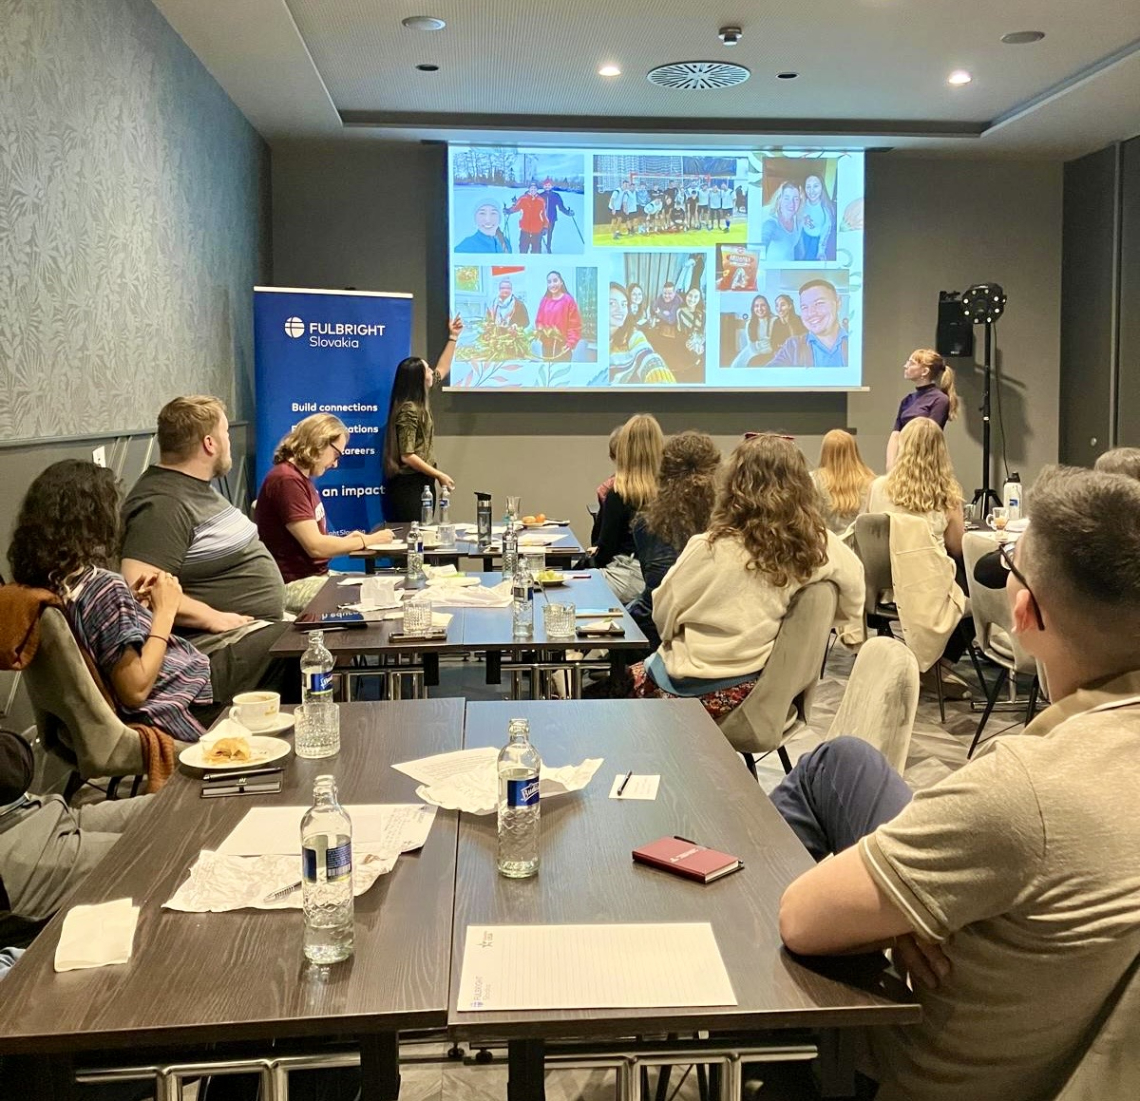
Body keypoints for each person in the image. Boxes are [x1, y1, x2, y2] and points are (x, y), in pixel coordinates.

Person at [774, 466, 1140, 1101]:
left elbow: (800, 919)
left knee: (788, 892)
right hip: (1041, 988)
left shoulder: (1021, 791)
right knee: (844, 763)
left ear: (1023, 611)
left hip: (895, 1064)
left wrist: (894, 922)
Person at [10, 462, 298, 741]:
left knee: (281, 638)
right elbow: (135, 689)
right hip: (190, 696)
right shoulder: (102, 587)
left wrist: (134, 608)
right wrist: (165, 610)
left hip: (183, 678)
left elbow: (107, 639)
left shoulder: (52, 583)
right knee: (294, 642)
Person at [632, 435, 864, 720]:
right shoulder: (819, 546)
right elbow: (853, 598)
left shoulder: (709, 546)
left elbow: (662, 613)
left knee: (619, 688)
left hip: (690, 692)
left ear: (733, 485)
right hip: (759, 693)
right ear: (802, 487)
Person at [120, 396, 285, 639]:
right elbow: (137, 585)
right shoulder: (164, 503)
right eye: (226, 433)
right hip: (213, 644)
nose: (230, 442)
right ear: (210, 443)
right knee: (315, 648)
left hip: (255, 625)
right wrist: (210, 617)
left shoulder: (195, 486)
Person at [0, 726, 153, 945]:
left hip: (40, 811)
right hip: (17, 851)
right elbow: (11, 773)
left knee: (165, 806)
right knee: (156, 851)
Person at [866, 417, 971, 692]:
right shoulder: (946, 494)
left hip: (882, 587)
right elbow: (958, 546)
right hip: (926, 588)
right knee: (976, 593)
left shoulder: (878, 487)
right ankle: (940, 664)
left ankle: (919, 662)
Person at [255, 414, 392, 612]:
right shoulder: (287, 481)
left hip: (315, 577)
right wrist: (368, 540)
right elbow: (316, 547)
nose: (335, 464)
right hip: (293, 584)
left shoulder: (298, 478)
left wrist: (348, 540)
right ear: (319, 442)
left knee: (380, 588)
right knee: (374, 599)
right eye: (336, 455)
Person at [629, 432, 720, 649]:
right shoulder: (730, 520)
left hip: (660, 631)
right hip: (715, 629)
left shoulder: (647, 522)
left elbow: (655, 589)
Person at [382, 316, 463, 522]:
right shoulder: (409, 410)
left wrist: (453, 337)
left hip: (422, 482)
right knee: (414, 538)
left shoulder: (418, 403)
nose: (431, 372)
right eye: (427, 369)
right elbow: (407, 455)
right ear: (418, 379)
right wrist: (439, 474)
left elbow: (442, 370)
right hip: (409, 485)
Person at [591, 414, 663, 602]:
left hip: (627, 577)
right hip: (661, 583)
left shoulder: (619, 494)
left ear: (623, 449)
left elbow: (604, 551)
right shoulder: (671, 492)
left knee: (572, 590)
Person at [886, 348, 960, 468]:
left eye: (911, 363)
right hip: (902, 462)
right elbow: (895, 434)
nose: (906, 366)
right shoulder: (907, 400)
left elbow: (930, 436)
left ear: (924, 371)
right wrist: (890, 465)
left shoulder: (940, 400)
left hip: (924, 464)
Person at [601, 283, 675, 387]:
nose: (620, 309)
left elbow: (648, 355)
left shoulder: (633, 331)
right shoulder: (588, 341)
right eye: (612, 303)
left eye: (623, 304)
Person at [767, 279, 848, 367]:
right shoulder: (792, 347)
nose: (811, 313)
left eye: (819, 303)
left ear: (838, 303)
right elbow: (766, 375)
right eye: (804, 307)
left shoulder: (856, 341)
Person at [812, 429, 875, 533]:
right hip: (861, 546)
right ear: (854, 451)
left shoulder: (813, 480)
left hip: (826, 545)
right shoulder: (872, 481)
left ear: (825, 451)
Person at [534, 270, 582, 362]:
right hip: (546, 345)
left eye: (555, 281)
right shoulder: (544, 300)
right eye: (549, 282)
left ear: (561, 282)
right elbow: (539, 321)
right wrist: (540, 330)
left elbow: (575, 325)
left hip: (563, 346)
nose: (552, 284)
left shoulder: (568, 300)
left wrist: (570, 343)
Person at [759, 181, 802, 262]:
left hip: (789, 271)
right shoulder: (771, 223)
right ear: (779, 200)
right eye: (786, 198)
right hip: (773, 272)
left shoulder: (798, 221)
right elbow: (761, 248)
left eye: (796, 199)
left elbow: (798, 251)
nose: (791, 203)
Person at [729, 295, 775, 368]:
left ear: (767, 307)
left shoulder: (774, 320)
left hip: (768, 353)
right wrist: (761, 345)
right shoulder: (750, 323)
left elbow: (773, 345)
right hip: (752, 351)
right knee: (735, 366)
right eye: (756, 306)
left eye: (762, 305)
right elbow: (751, 347)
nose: (759, 309)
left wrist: (758, 345)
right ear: (753, 309)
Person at [798, 173, 836, 261]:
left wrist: (821, 251)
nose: (812, 191)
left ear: (822, 187)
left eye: (815, 186)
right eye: (808, 187)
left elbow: (825, 233)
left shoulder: (826, 210)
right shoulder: (802, 203)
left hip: (816, 241)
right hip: (803, 237)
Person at [504, 181, 548, 254]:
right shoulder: (523, 198)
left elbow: (544, 215)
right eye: (531, 188)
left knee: (536, 251)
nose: (533, 190)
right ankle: (523, 264)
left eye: (535, 188)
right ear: (529, 189)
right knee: (523, 249)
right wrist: (508, 211)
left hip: (537, 229)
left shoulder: (541, 201)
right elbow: (516, 207)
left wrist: (545, 227)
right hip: (525, 228)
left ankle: (534, 264)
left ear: (537, 190)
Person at [677, 287, 706, 379]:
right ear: (686, 296)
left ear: (699, 299)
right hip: (684, 345)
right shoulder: (680, 311)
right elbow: (679, 332)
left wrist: (701, 345)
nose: (692, 299)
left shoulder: (704, 314)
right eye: (690, 295)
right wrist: (686, 343)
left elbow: (705, 334)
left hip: (700, 346)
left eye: (696, 297)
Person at [539, 178, 573, 253]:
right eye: (545, 185)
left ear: (551, 186)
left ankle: (548, 247)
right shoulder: (540, 196)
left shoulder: (556, 195)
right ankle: (538, 247)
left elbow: (561, 207)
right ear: (543, 186)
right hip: (541, 218)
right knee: (539, 233)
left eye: (549, 185)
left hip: (552, 218)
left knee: (549, 233)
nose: (547, 186)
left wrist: (568, 212)